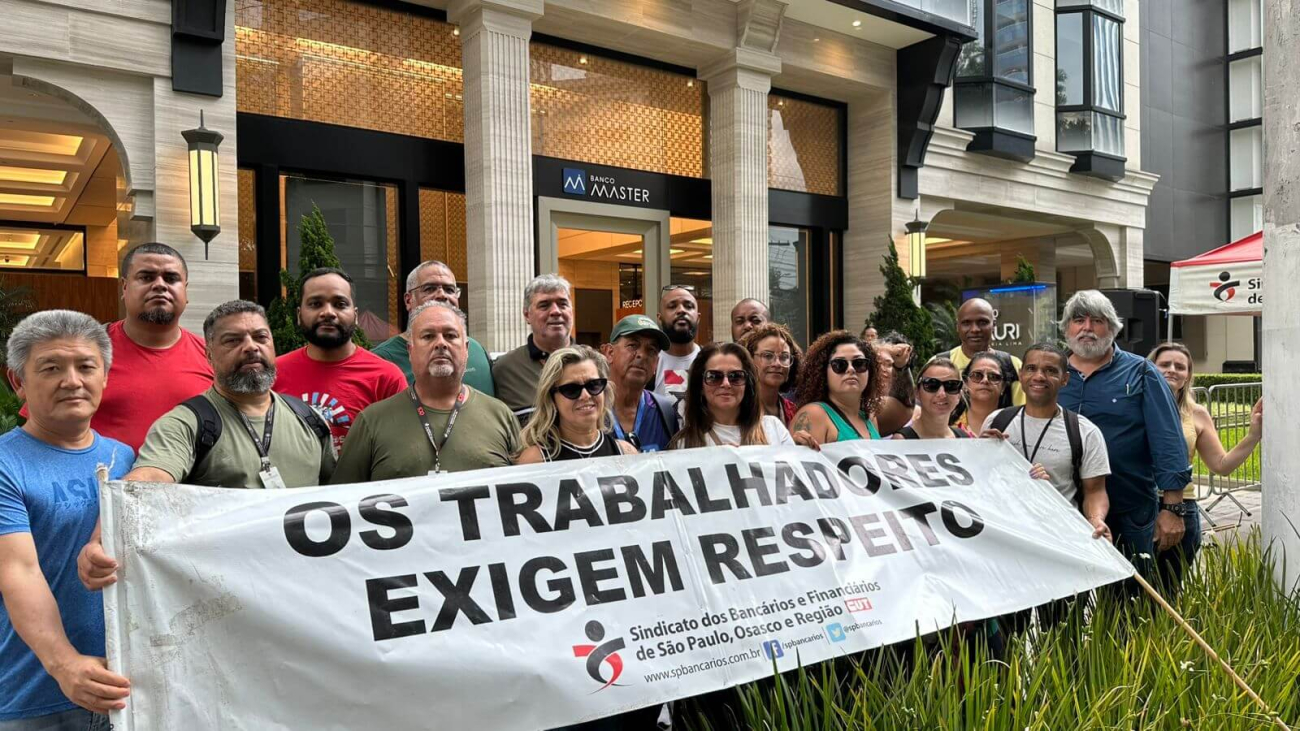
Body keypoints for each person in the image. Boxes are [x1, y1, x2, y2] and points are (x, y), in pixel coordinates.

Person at [0, 311, 133, 728]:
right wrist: (65, 664)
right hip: (36, 692)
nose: (72, 381)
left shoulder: (125, 458)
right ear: (17, 381)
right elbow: (18, 570)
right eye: (51, 368)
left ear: (106, 376)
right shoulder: (6, 463)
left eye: (86, 366)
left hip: (125, 686)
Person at [124, 300, 336, 489]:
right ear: (209, 355)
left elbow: (340, 494)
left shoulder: (311, 420)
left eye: (261, 337)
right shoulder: (184, 425)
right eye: (233, 340)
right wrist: (130, 495)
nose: (251, 347)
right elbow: (150, 479)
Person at [1056, 290, 1191, 578]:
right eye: (1078, 320)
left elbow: (1168, 440)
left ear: (1113, 327)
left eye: (1097, 320)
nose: (1087, 328)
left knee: (1128, 603)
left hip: (1129, 510)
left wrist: (1173, 508)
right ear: (1067, 328)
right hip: (1062, 510)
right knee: (1064, 607)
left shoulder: (1142, 372)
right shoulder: (1052, 374)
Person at [332, 301, 520, 482]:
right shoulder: (371, 422)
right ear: (410, 351)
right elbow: (342, 502)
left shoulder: (502, 416)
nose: (441, 344)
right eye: (428, 336)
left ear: (466, 349)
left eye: (451, 335)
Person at [1149, 342, 1262, 587]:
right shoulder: (1133, 406)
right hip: (1138, 506)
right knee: (1128, 596)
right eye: (1164, 364)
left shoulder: (1196, 414)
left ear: (1188, 375)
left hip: (1180, 508)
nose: (1172, 370)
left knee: (1168, 591)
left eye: (1180, 366)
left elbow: (1221, 465)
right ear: (1150, 368)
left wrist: (1253, 434)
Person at [85, 243, 214, 452]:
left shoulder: (213, 357)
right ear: (124, 287)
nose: (160, 285)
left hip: (193, 482)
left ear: (186, 291)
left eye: (171, 279)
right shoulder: (83, 351)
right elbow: (45, 428)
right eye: (146, 277)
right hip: (100, 482)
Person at [982, 343, 1112, 541]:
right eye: (1031, 368)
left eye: (1050, 370)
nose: (1039, 376)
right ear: (1020, 374)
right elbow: (982, 481)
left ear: (1065, 379)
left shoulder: (1084, 432)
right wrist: (980, 452)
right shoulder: (996, 422)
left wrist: (1095, 520)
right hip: (1005, 535)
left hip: (1059, 539)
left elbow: (1095, 491)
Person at [273, 267, 406, 452]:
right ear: (298, 315)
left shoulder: (386, 378)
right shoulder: (273, 374)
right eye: (315, 304)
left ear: (356, 316)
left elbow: (400, 449)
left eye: (340, 304)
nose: (328, 312)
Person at [372, 260, 495, 395]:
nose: (442, 295)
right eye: (429, 289)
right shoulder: (380, 361)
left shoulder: (477, 349)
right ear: (408, 300)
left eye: (450, 290)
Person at [669, 343, 807, 449]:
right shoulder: (682, 444)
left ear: (747, 384)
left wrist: (802, 453)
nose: (726, 384)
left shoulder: (774, 430)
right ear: (700, 386)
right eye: (714, 377)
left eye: (736, 376)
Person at [516, 346, 637, 464]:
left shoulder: (626, 453)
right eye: (571, 389)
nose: (585, 395)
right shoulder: (535, 461)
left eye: (593, 385)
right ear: (552, 399)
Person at [493, 274, 574, 423]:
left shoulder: (594, 364)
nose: (556, 311)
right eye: (544, 305)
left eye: (563, 304)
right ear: (526, 315)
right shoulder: (504, 369)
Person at [602, 314, 678, 452]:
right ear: (609, 353)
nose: (642, 355)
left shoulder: (665, 412)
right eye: (632, 345)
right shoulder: (589, 407)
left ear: (657, 363)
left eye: (651, 350)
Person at [790, 331, 883, 443]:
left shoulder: (870, 418)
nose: (851, 369)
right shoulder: (814, 414)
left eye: (859, 363)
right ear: (823, 372)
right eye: (839, 365)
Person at [947, 298, 1024, 406]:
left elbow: (1022, 412)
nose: (975, 329)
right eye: (966, 323)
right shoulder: (942, 363)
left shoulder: (1013, 366)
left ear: (994, 325)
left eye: (982, 322)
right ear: (957, 327)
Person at [738, 323, 801, 426]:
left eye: (784, 357)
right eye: (768, 356)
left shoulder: (795, 412)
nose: (777, 364)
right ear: (749, 360)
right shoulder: (737, 409)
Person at [654, 285, 701, 414]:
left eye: (688, 306)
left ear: (698, 317)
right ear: (659, 318)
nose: (681, 310)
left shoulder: (709, 361)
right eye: (672, 306)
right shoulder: (650, 363)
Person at [894, 358, 969, 440]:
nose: (942, 394)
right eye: (932, 385)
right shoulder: (902, 440)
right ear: (917, 393)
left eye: (951, 386)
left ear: (959, 396)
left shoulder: (964, 439)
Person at [953, 351, 1014, 435]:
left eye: (993, 377)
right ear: (966, 383)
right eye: (977, 375)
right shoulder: (948, 426)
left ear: (1003, 387)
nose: (985, 380)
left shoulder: (1015, 426)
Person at [873, 331, 915, 437]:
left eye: (889, 364)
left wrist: (902, 367)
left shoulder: (899, 408)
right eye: (877, 361)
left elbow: (906, 405)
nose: (883, 369)